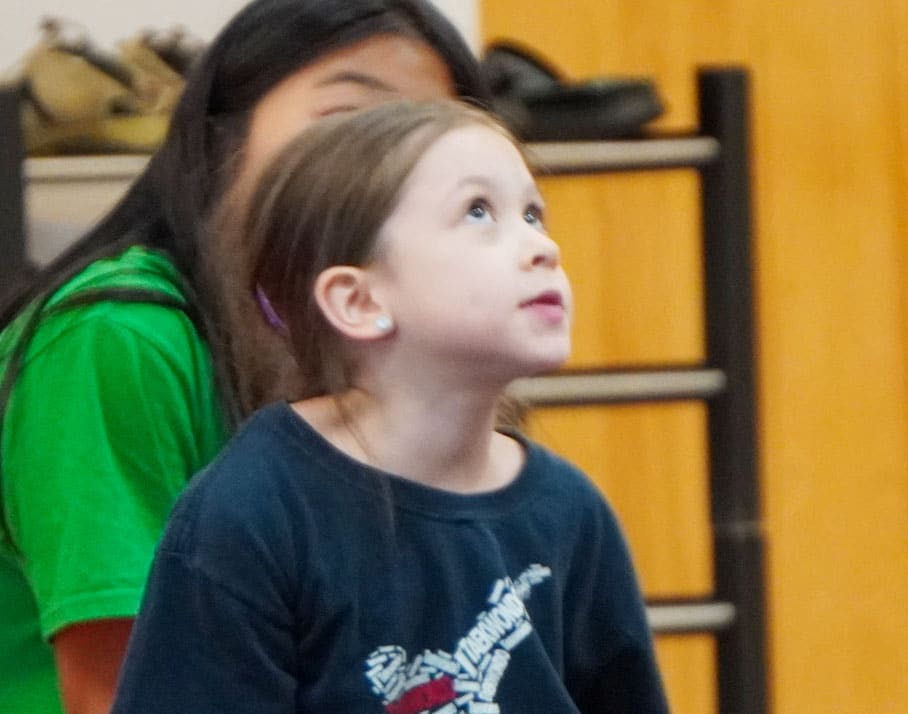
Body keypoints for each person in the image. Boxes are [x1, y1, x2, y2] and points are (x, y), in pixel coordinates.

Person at [0, 2, 489, 713]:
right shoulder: (119, 339)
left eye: (426, 144)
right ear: (223, 139)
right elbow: (114, 694)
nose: (380, 171)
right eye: (346, 120)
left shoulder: (378, 351)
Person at [111, 99, 669, 713]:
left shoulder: (571, 513)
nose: (544, 248)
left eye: (534, 215)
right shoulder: (252, 514)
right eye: (478, 211)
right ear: (357, 300)